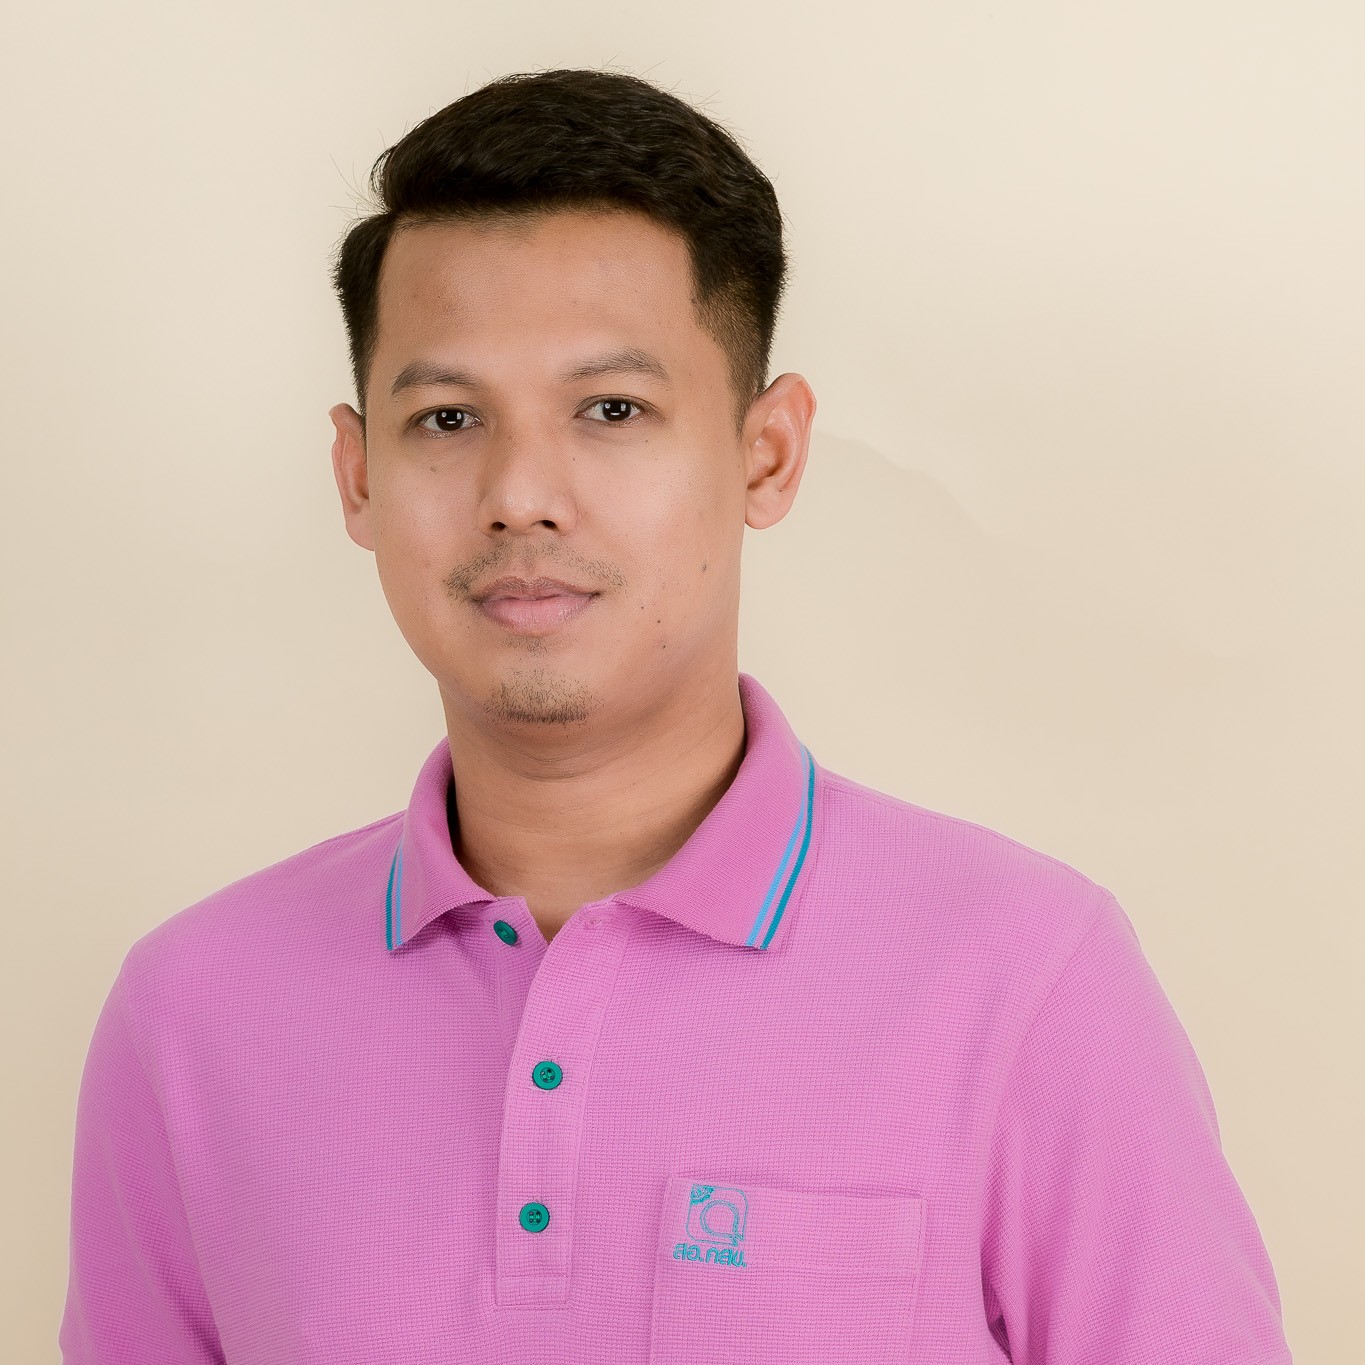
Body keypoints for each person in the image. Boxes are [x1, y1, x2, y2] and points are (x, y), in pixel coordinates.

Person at [59, 67, 1293, 1364]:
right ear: (357, 473)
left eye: (611, 410)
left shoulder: (1029, 980)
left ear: (767, 453)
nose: (520, 493)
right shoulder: (190, 1015)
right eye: (446, 417)